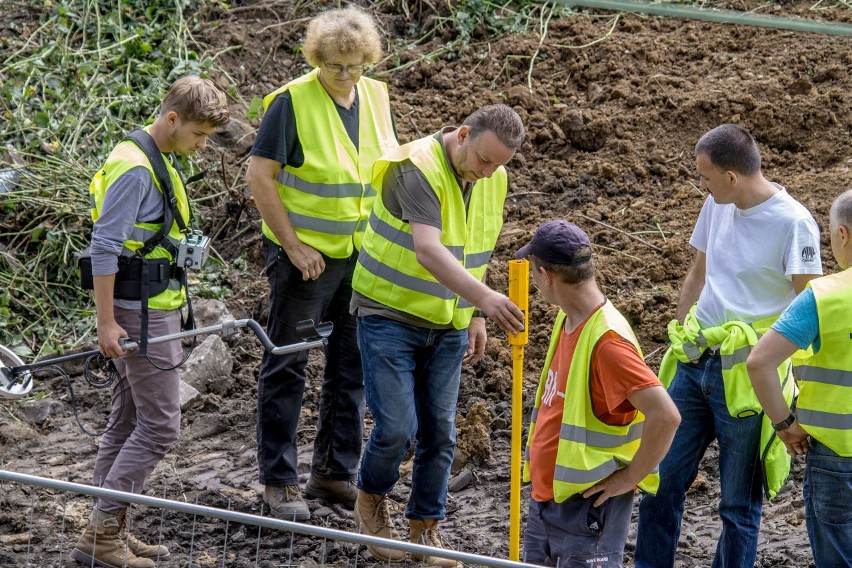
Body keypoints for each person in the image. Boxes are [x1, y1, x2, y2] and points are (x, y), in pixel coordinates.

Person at [634, 124, 823, 568]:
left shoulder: (794, 223)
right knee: (661, 482)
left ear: (732, 176)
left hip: (747, 379)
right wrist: (683, 330)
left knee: (738, 506)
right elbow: (698, 274)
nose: (701, 184)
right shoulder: (716, 205)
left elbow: (809, 305)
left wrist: (791, 383)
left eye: (705, 176)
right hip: (696, 364)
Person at [350, 104, 526, 566]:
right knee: (395, 428)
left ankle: (425, 528)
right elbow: (428, 251)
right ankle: (370, 499)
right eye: (484, 160)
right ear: (463, 133)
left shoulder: (493, 178)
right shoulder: (417, 168)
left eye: (498, 165)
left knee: (442, 434)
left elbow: (475, 248)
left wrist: (474, 314)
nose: (487, 172)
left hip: (446, 322)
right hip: (388, 314)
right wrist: (487, 299)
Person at [245, 5, 398, 521]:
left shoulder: (376, 96)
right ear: (317, 59)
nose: (345, 74)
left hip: (360, 256)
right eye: (335, 65)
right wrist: (291, 246)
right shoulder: (290, 103)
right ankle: (279, 482)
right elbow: (260, 177)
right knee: (288, 360)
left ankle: (333, 472)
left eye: (355, 65)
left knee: (350, 364)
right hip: (305, 259)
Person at [72, 77, 229, 568]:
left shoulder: (154, 158)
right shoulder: (136, 169)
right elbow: (105, 248)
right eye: (200, 135)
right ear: (172, 119)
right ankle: (102, 534)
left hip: (149, 308)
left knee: (129, 419)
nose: (202, 146)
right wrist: (105, 324)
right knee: (161, 425)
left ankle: (107, 525)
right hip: (139, 315)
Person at [517, 220, 681, 567]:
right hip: (548, 500)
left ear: (546, 275)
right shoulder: (569, 319)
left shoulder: (608, 343)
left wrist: (630, 477)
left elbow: (666, 416)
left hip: (586, 510)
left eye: (533, 273)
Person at [746, 189, 852, 568]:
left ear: (843, 235)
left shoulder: (824, 297)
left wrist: (784, 424)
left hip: (838, 455)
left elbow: (759, 363)